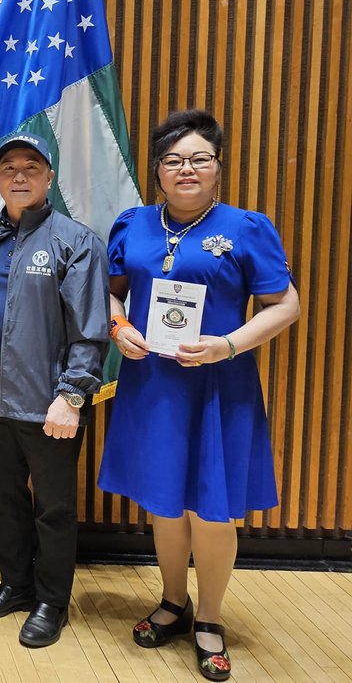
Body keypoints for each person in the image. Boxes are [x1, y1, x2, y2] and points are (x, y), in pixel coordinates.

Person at [100, 109, 300, 681]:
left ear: (217, 167)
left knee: (211, 510)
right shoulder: (132, 224)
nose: (186, 168)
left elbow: (286, 305)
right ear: (157, 170)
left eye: (199, 159)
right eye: (173, 160)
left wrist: (229, 345)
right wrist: (120, 329)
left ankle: (209, 618)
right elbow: (113, 295)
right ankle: (172, 601)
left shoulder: (246, 227)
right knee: (164, 502)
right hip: (153, 383)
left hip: (219, 385)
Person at [0, 133, 109, 647]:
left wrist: (71, 397)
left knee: (54, 508)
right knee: (3, 501)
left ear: (49, 177)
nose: (19, 176)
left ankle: (50, 602)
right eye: (8, 168)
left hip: (50, 404)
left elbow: (90, 331)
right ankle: (16, 586)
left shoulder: (76, 241)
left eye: (31, 167)